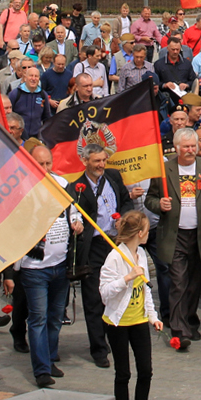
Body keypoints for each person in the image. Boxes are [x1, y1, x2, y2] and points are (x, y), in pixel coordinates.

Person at [147, 128, 201, 352]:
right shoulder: (164, 169)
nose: (191, 150)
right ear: (176, 148)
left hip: (200, 234)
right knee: (178, 282)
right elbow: (150, 199)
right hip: (175, 236)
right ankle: (179, 331)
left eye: (193, 146)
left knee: (194, 283)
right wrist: (159, 205)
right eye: (186, 147)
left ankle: (190, 320)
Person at [16, 144, 82, 387]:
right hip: (34, 267)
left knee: (55, 317)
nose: (44, 169)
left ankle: (50, 356)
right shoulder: (22, 188)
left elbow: (74, 211)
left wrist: (77, 222)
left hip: (60, 263)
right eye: (39, 164)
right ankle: (41, 369)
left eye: (47, 163)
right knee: (38, 318)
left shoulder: (62, 185)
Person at [68, 130, 133, 369]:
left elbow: (126, 201)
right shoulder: (77, 187)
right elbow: (72, 212)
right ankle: (98, 348)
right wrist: (75, 223)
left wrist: (122, 218)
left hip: (114, 243)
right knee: (94, 299)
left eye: (104, 161)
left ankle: (116, 339)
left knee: (116, 294)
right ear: (85, 162)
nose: (101, 165)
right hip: (93, 246)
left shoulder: (114, 178)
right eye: (97, 162)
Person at [100, 210, 163, 400]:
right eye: (147, 230)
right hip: (118, 323)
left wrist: (153, 316)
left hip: (138, 321)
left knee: (146, 370)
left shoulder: (143, 255)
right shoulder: (116, 257)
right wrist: (126, 278)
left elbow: (145, 290)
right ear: (139, 233)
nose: (148, 234)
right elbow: (105, 293)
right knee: (123, 373)